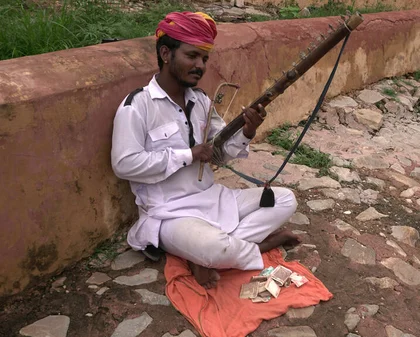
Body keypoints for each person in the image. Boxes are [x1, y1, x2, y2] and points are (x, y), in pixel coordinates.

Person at [110, 11, 300, 288]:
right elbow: (124, 164)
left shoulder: (200, 100)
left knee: (284, 199)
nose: (200, 65)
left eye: (205, 59)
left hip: (213, 198)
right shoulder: (137, 105)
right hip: (170, 214)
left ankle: (211, 255)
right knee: (214, 247)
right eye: (192, 56)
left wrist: (246, 132)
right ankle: (259, 246)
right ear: (166, 53)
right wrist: (188, 155)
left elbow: (219, 154)